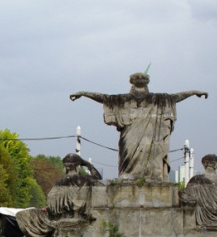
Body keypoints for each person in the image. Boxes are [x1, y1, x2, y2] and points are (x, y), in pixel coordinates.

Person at [70, 72, 207, 181]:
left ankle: (152, 178)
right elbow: (105, 98)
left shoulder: (158, 99)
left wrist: (193, 92)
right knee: (128, 156)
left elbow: (175, 98)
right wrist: (83, 93)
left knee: (152, 155)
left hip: (151, 138)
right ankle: (128, 176)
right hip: (130, 136)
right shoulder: (124, 100)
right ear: (132, 82)